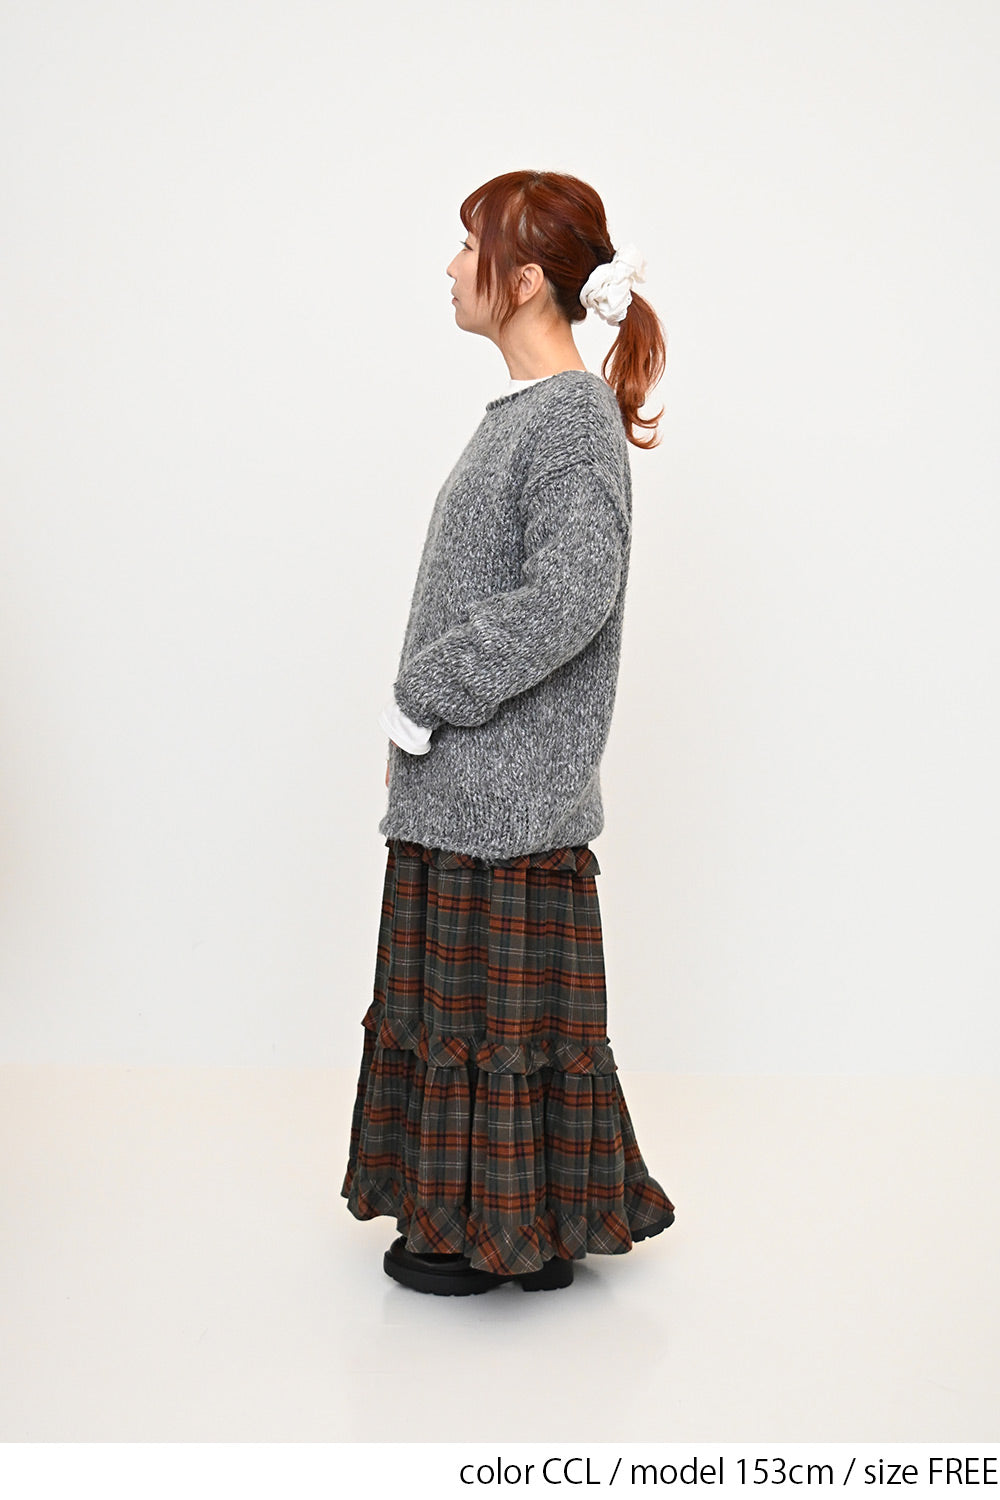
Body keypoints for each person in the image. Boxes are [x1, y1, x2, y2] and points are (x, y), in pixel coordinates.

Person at [341, 169, 676, 1296]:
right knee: (486, 1024)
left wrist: (430, 687)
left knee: (491, 1024)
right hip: (479, 794)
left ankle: (489, 1231)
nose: (449, 267)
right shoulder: (540, 415)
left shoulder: (569, 419)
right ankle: (517, 1228)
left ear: (524, 279)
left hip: (502, 800)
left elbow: (571, 593)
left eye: (465, 246)